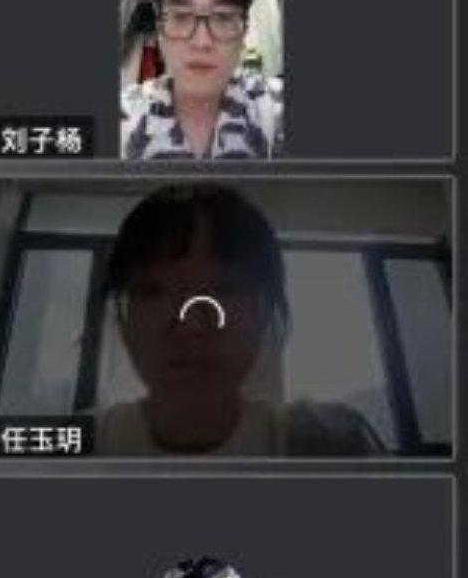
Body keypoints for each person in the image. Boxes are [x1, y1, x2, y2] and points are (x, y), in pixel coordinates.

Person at [88, 184, 384, 457]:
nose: (191, 324)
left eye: (228, 289)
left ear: (265, 315)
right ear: (122, 318)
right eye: (152, 290)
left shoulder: (332, 445)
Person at [119, 0, 282, 160]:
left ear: (244, 33)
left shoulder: (273, 107)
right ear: (160, 32)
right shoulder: (125, 115)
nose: (202, 42)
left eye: (223, 17)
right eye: (181, 17)